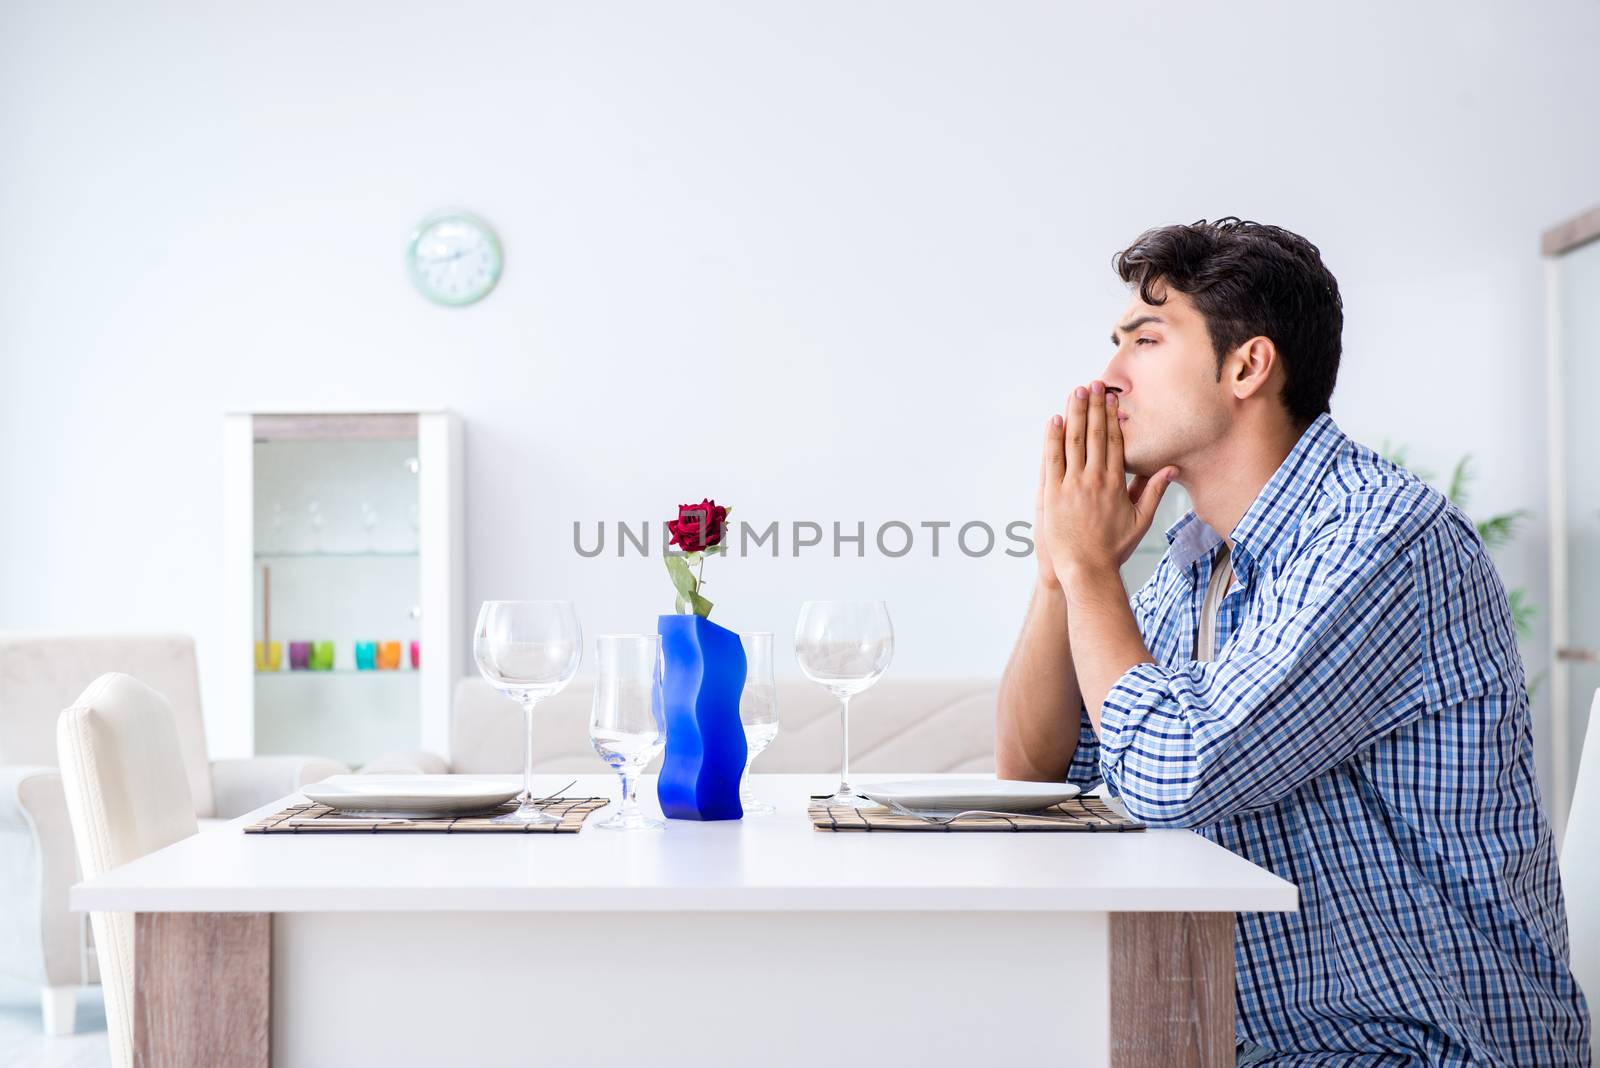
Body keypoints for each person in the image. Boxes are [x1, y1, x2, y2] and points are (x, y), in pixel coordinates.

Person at [996, 217, 1591, 1065]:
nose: (1109, 377)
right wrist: (1059, 572)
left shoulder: (1378, 538)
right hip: (1265, 1041)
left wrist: (1091, 572)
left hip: (1417, 1047)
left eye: (1145, 340)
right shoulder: (1198, 557)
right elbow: (1039, 776)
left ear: (1247, 365)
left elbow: (1173, 772)